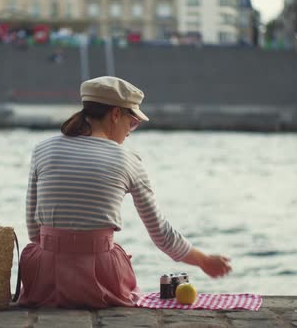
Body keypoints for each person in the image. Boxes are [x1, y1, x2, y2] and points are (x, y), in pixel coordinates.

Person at [18, 76, 232, 309]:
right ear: (116, 114)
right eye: (132, 122)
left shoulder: (42, 149)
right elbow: (161, 233)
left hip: (43, 279)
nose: (130, 132)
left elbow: (33, 229)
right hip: (101, 280)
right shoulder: (128, 159)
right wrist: (203, 261)